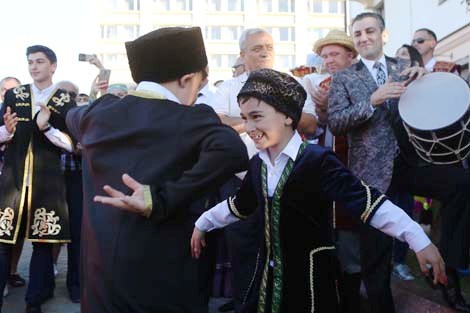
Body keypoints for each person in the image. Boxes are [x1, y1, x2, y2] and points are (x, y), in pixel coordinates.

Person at [191, 68, 446, 313]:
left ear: (288, 116)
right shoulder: (258, 164)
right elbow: (240, 204)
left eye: (256, 117)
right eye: (245, 118)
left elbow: (368, 203)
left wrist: (418, 239)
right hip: (268, 284)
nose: (248, 128)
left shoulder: (317, 161)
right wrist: (204, 222)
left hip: (310, 286)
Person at [65, 27, 248, 313]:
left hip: (100, 280)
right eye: (200, 84)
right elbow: (233, 151)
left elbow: (71, 116)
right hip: (165, 280)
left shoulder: (95, 114)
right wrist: (161, 198)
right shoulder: (192, 120)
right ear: (188, 79)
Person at [329, 13, 470, 312]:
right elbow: (336, 122)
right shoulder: (344, 76)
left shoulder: (406, 67)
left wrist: (425, 81)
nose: (364, 37)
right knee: (376, 253)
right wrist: (372, 100)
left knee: (461, 184)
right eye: (358, 33)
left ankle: (449, 269)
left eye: (369, 31)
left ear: (383, 35)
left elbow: (426, 105)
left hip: (412, 162)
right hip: (371, 174)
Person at [208, 28, 317, 311]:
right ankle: (246, 304)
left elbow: (311, 124)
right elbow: (218, 121)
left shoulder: (290, 83)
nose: (265, 51)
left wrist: (271, 110)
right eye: (257, 48)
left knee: (285, 245)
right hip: (240, 179)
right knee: (243, 247)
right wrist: (258, 118)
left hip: (286, 178)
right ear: (242, 54)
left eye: (269, 46)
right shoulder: (229, 88)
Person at [0, 45, 74, 313]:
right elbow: (0, 132)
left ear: (53, 66)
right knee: (3, 239)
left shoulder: (65, 99)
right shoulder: (14, 94)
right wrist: (6, 132)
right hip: (13, 179)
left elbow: (72, 144)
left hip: (47, 182)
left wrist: (47, 127)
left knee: (43, 243)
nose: (34, 66)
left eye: (40, 62)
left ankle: (34, 301)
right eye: (30, 62)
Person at [304, 29, 362, 313]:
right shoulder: (320, 85)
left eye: (335, 54)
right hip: (329, 172)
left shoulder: (362, 81)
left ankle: (353, 300)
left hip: (355, 170)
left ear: (351, 56)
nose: (328, 60)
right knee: (331, 239)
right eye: (325, 55)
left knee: (353, 244)